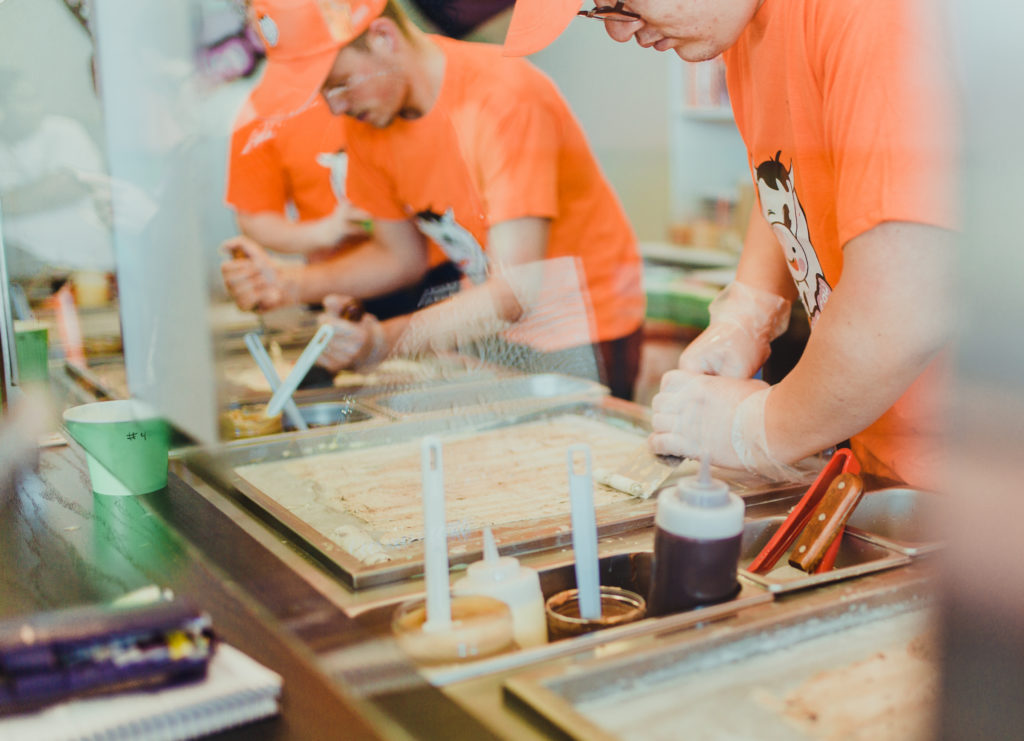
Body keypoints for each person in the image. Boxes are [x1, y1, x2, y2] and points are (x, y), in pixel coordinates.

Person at [502, 0, 957, 488]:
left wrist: (761, 426)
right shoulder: (744, 29)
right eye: (598, 11)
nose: (618, 31)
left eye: (621, 1)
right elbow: (785, 173)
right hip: (889, 449)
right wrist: (749, 309)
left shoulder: (873, 15)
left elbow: (906, 301)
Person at [220, 0, 646, 400]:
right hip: (490, 325)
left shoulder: (501, 97)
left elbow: (514, 292)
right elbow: (398, 258)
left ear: (385, 38)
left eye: (339, 84)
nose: (335, 108)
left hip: (586, 325)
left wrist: (382, 342)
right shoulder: (368, 124)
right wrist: (289, 283)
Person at [224, 2, 459, 319]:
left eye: (340, 83)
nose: (336, 105)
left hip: (441, 275)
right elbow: (254, 215)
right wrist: (320, 233)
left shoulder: (401, 89)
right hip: (338, 287)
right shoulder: (261, 116)